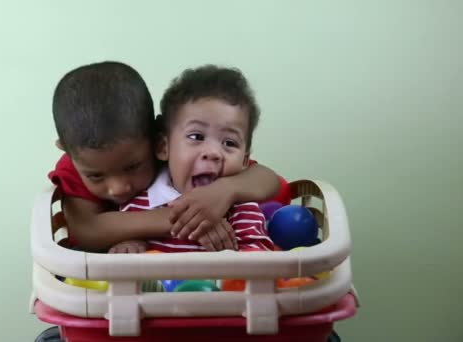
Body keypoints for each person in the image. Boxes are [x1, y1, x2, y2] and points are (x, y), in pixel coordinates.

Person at [47, 61, 285, 252]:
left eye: (132, 166)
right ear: (67, 151)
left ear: (157, 140)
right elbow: (88, 231)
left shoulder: (181, 153)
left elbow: (267, 180)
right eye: (96, 176)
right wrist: (188, 219)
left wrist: (223, 191)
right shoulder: (78, 161)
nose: (118, 188)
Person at [110, 65, 275, 253]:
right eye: (196, 137)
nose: (213, 152)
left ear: (245, 161)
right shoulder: (138, 206)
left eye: (229, 143)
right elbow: (118, 249)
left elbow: (260, 260)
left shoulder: (242, 211)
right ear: (164, 147)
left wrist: (228, 258)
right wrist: (130, 247)